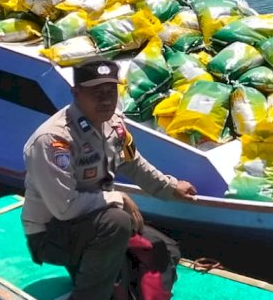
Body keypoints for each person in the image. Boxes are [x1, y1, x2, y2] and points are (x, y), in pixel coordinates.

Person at [22, 59, 197, 300]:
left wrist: (170, 187)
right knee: (117, 221)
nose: (105, 99)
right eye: (96, 92)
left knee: (164, 247)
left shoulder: (114, 124)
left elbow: (133, 162)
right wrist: (117, 197)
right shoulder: (53, 140)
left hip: (92, 222)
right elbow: (65, 208)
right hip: (51, 234)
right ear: (76, 93)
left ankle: (118, 283)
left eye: (110, 91)